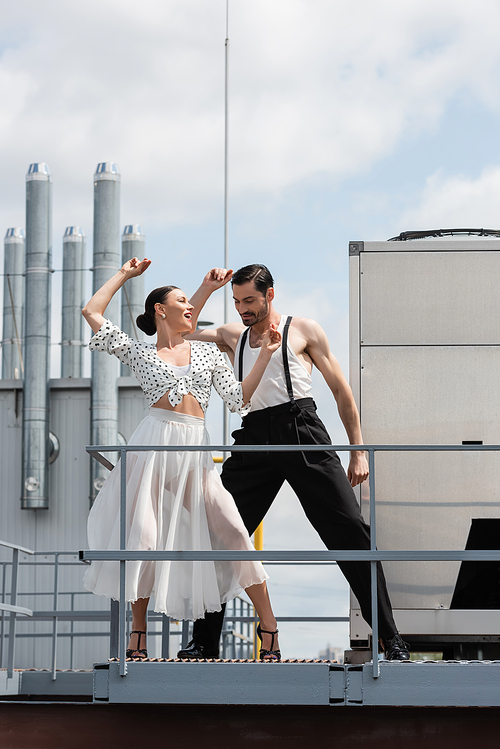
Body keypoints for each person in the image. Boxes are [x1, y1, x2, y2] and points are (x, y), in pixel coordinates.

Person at [179, 263, 410, 661]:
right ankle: (204, 641)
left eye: (249, 300)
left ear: (270, 294)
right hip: (252, 438)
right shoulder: (233, 335)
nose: (242, 310)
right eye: (236, 302)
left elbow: (340, 389)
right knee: (218, 535)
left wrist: (357, 450)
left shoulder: (303, 330)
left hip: (301, 429)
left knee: (350, 531)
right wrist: (206, 288)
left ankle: (391, 638)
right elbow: (183, 330)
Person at [81, 259, 282, 661]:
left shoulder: (207, 355)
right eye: (182, 301)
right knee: (143, 542)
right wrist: (125, 275)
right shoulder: (138, 351)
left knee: (235, 534)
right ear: (160, 310)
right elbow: (91, 312)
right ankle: (137, 635)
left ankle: (270, 630)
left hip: (196, 457)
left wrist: (266, 355)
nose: (192, 306)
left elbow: (239, 400)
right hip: (151, 451)